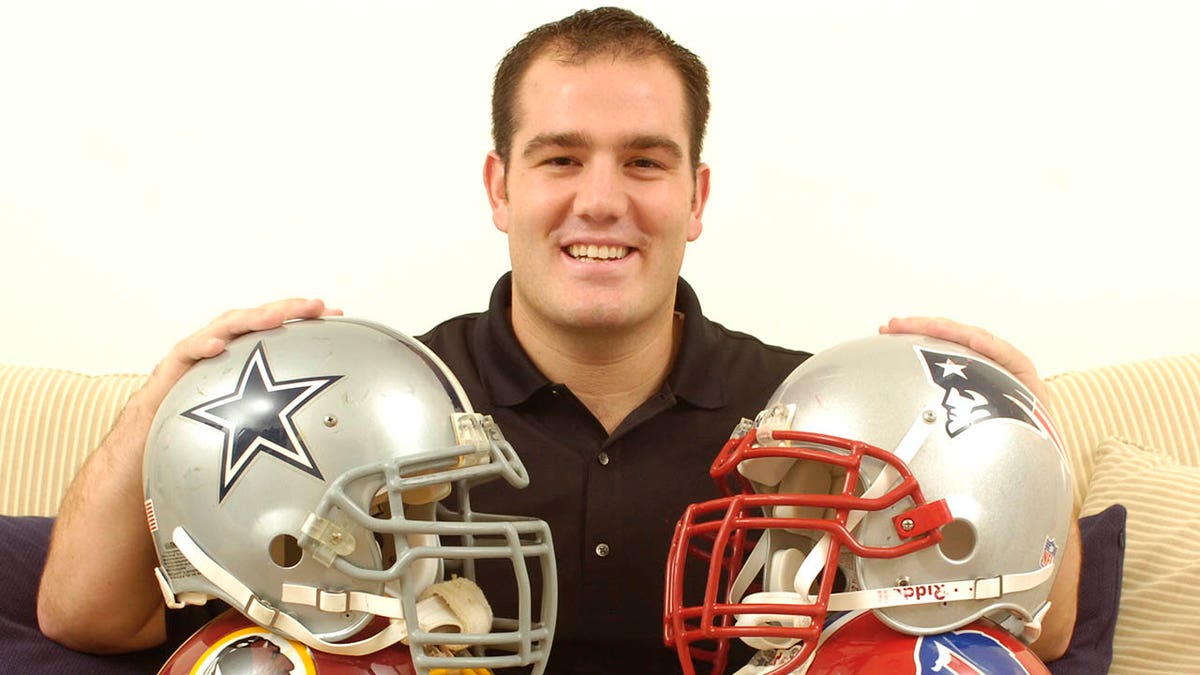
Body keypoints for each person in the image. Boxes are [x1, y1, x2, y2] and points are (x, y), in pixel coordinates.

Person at [36, 7, 1079, 673]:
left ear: (696, 196)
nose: (601, 201)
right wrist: (163, 398)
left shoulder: (809, 411)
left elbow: (1035, 633)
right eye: (560, 159)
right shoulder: (384, 406)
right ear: (500, 187)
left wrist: (1026, 436)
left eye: (645, 162)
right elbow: (89, 621)